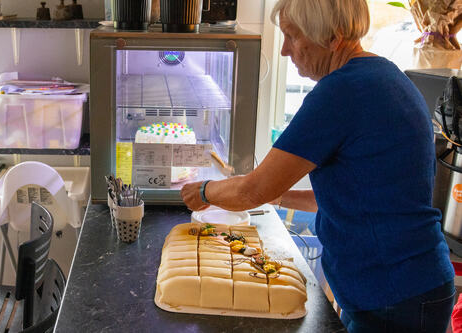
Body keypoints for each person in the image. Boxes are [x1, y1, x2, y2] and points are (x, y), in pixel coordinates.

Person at [180, 0, 456, 331]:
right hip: (409, 283)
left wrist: (204, 190)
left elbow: (252, 190)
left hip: (394, 292)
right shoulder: (385, 75)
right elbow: (360, 196)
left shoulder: (342, 90)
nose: (284, 51)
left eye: (293, 37)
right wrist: (278, 197)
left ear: (333, 37)